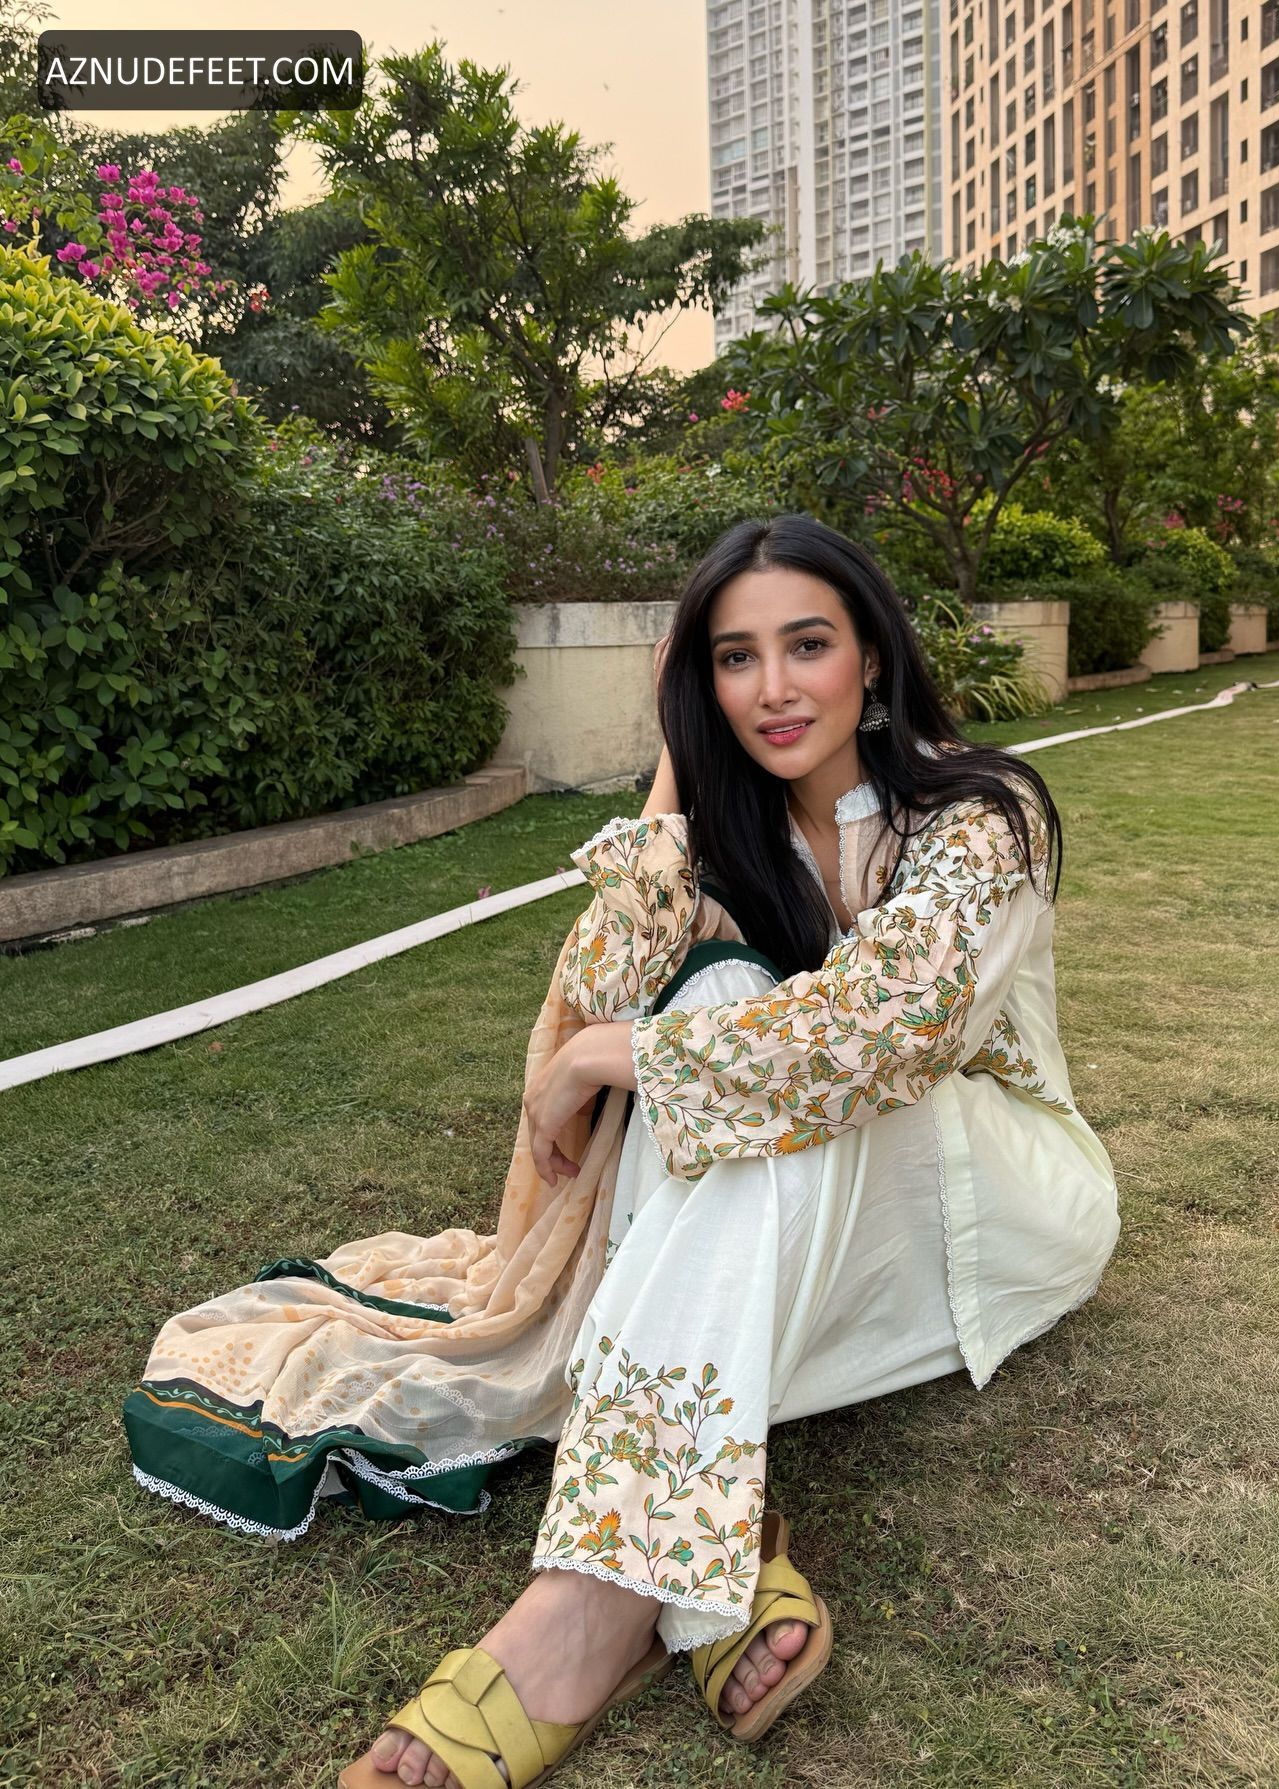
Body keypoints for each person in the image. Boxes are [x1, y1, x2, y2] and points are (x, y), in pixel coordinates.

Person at [123, 514, 1121, 1789]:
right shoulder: (733, 835)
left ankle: (588, 1611)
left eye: (807, 645)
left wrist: (615, 1056)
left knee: (771, 1068)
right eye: (734, 658)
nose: (772, 688)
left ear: (871, 656)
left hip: (998, 1208)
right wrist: (673, 777)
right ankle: (701, 1573)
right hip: (825, 1244)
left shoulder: (978, 817)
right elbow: (597, 989)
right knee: (716, 1003)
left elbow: (885, 1035)